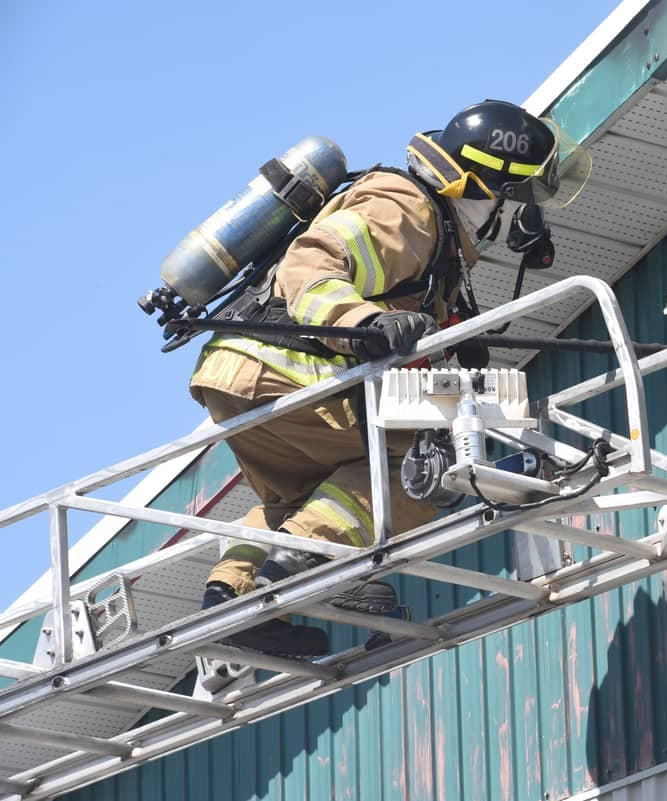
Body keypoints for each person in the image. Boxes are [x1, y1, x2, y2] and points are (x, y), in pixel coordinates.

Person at [189, 100, 577, 657]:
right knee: (430, 462)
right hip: (288, 374)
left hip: (237, 377)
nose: (525, 221)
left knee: (304, 498)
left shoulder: (433, 239)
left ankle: (230, 601)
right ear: (490, 191)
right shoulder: (408, 208)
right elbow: (312, 264)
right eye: (523, 202)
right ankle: (288, 577)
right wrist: (364, 322)